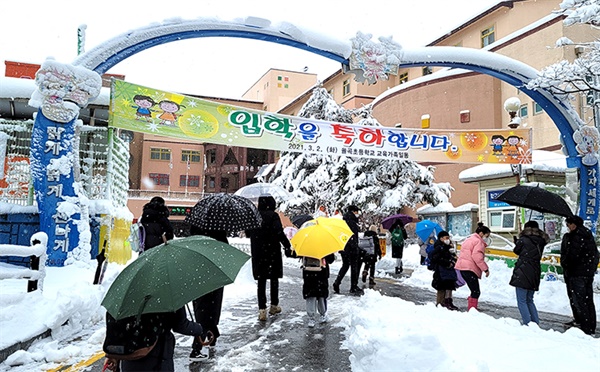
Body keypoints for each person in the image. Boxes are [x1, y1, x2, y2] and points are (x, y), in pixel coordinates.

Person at [107, 307, 209, 372]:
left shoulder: (129, 293)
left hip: (131, 356)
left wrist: (115, 355)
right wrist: (200, 329)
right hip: (158, 358)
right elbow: (181, 325)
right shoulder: (168, 292)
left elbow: (117, 328)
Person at [247, 195, 292, 321]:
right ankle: (274, 305)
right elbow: (279, 232)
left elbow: (248, 233)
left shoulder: (254, 216)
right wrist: (287, 246)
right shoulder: (273, 216)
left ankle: (262, 309)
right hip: (272, 252)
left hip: (258, 253)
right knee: (273, 279)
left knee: (261, 282)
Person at [188, 226, 227, 362]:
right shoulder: (218, 230)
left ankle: (211, 336)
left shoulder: (196, 231)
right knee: (210, 311)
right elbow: (225, 251)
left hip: (198, 275)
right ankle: (197, 348)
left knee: (202, 310)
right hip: (214, 275)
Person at [561, 215, 599, 335]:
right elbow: (596, 255)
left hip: (577, 274)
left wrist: (565, 264)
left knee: (579, 300)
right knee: (588, 300)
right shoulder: (588, 236)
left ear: (574, 225)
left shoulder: (576, 237)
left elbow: (572, 256)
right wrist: (591, 269)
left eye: (568, 224)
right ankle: (590, 324)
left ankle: (584, 326)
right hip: (587, 273)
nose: (567, 226)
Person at [509, 220, 549, 325]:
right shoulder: (541, 241)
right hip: (535, 271)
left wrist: (517, 242)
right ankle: (535, 323)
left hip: (523, 270)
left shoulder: (523, 239)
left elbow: (517, 251)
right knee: (530, 300)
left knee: (522, 300)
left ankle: (527, 324)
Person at [455, 222, 491, 311]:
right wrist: (485, 269)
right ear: (481, 233)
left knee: (474, 290)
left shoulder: (469, 239)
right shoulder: (478, 242)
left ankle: (472, 307)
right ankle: (472, 310)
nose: (487, 238)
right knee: (475, 291)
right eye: (487, 236)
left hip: (463, 267)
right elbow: (477, 257)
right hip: (470, 269)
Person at [333, 205, 363, 296]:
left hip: (344, 247)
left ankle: (337, 282)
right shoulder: (352, 221)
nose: (358, 214)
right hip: (351, 248)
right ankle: (353, 287)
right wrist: (355, 248)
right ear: (354, 211)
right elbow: (352, 236)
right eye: (357, 212)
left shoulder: (344, 220)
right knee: (354, 267)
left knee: (345, 265)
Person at [430, 231, 459, 311]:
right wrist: (447, 263)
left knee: (449, 286)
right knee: (442, 287)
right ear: (441, 238)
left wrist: (453, 259)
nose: (448, 239)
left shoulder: (447, 247)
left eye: (448, 238)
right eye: (446, 238)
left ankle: (448, 301)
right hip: (441, 270)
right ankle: (440, 304)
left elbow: (451, 256)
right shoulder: (439, 247)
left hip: (448, 270)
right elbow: (436, 258)